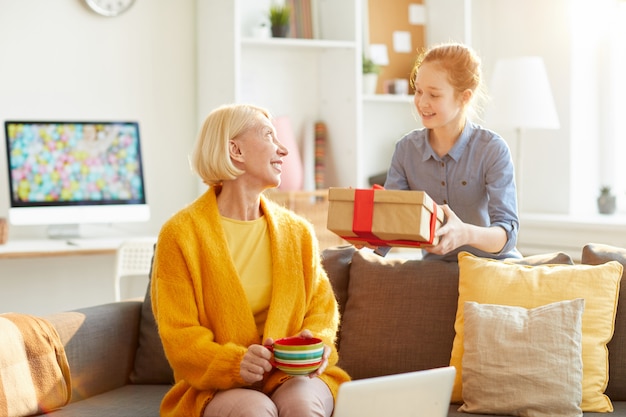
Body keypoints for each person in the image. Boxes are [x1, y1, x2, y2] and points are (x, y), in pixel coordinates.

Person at [151, 103, 350, 417]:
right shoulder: (181, 234)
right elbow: (180, 335)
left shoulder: (297, 232)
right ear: (235, 150)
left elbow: (321, 309)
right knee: (254, 410)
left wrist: (318, 344)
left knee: (301, 406)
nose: (282, 149)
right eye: (269, 136)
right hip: (215, 385)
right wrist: (233, 364)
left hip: (293, 376)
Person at [384, 42, 521, 262]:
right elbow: (392, 221)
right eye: (418, 91)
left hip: (493, 269)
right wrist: (368, 240)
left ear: (465, 97)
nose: (422, 102)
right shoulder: (406, 150)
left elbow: (507, 234)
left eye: (434, 95)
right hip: (435, 272)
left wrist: (465, 233)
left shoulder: (492, 149)